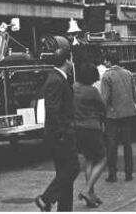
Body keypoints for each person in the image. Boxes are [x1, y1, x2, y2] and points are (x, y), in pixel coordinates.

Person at [35, 48, 80, 212]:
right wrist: (63, 132)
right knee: (72, 168)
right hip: (61, 135)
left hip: (60, 134)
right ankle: (46, 198)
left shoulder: (58, 78)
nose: (72, 63)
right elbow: (53, 109)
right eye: (71, 60)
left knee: (64, 173)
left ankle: (64, 209)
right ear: (67, 61)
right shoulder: (56, 80)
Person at [73, 62, 108, 208]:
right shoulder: (92, 91)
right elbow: (103, 107)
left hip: (77, 128)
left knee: (89, 160)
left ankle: (91, 195)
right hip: (92, 128)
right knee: (102, 159)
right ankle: (87, 190)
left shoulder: (73, 88)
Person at [100, 53, 136, 183]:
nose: (104, 63)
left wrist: (102, 110)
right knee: (127, 143)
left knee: (111, 144)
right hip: (127, 112)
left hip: (113, 114)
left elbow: (105, 97)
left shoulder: (107, 76)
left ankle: (113, 174)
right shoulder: (128, 74)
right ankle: (129, 173)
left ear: (109, 62)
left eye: (105, 61)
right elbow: (135, 93)